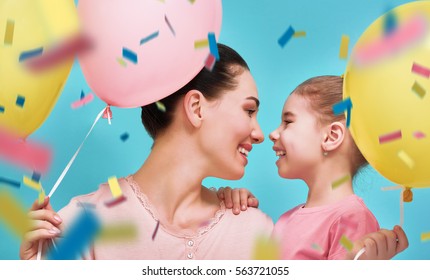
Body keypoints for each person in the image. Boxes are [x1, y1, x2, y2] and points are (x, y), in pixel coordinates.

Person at [19, 43, 274, 260]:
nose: (260, 134)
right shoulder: (82, 226)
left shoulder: (255, 231)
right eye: (249, 111)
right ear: (197, 108)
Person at [218, 75, 408, 260]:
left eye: (288, 122)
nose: (273, 133)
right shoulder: (287, 219)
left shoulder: (352, 218)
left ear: (331, 137)